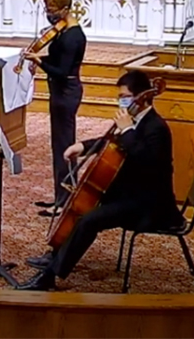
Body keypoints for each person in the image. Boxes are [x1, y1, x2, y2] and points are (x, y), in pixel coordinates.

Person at [17, 69, 184, 291]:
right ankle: (57, 256)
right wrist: (83, 147)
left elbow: (147, 164)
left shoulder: (157, 128)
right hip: (130, 194)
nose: (121, 102)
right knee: (83, 205)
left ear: (141, 97)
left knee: (89, 219)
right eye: (119, 98)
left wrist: (128, 131)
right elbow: (109, 141)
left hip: (150, 205)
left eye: (124, 96)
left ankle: (50, 276)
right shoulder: (133, 122)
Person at [24, 0, 86, 212]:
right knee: (59, 145)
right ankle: (61, 196)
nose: (49, 14)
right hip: (60, 91)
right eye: (46, 9)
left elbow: (61, 70)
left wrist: (39, 62)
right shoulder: (63, 31)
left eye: (52, 9)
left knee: (65, 146)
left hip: (66, 92)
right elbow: (57, 56)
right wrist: (40, 56)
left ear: (66, 9)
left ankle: (66, 200)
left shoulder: (73, 36)